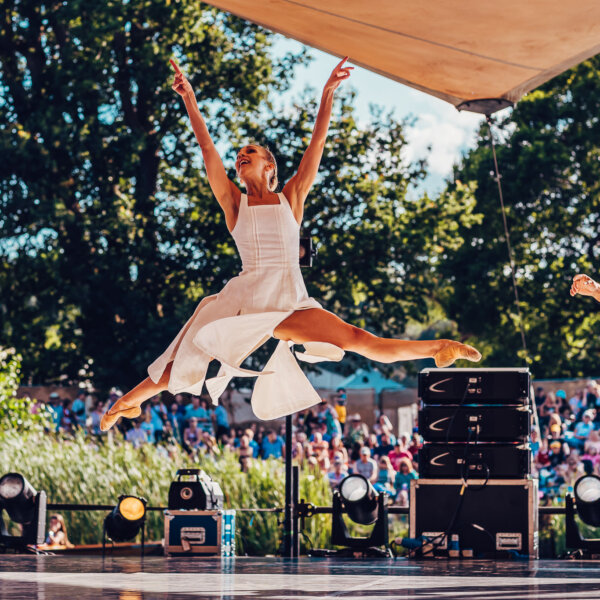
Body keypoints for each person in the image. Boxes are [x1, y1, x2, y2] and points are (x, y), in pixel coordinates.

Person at [100, 57, 481, 431]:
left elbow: (316, 146)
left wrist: (328, 93)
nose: (241, 157)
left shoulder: (290, 197)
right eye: (239, 156)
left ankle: (439, 346)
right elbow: (208, 153)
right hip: (245, 300)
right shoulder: (235, 204)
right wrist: (190, 100)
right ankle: (126, 402)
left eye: (250, 153)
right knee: (187, 357)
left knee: (357, 339)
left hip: (289, 301)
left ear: (270, 167)